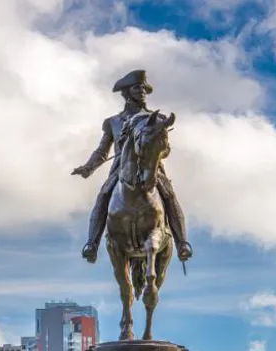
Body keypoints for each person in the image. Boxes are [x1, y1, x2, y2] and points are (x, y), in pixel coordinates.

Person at [72, 69, 192, 264]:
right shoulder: (113, 122)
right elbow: (103, 151)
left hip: (151, 168)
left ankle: (182, 243)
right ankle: (91, 244)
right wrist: (88, 167)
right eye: (138, 88)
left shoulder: (157, 120)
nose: (142, 91)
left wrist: (156, 153)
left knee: (169, 196)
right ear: (127, 92)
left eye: (144, 88)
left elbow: (165, 150)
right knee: (103, 196)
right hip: (121, 170)